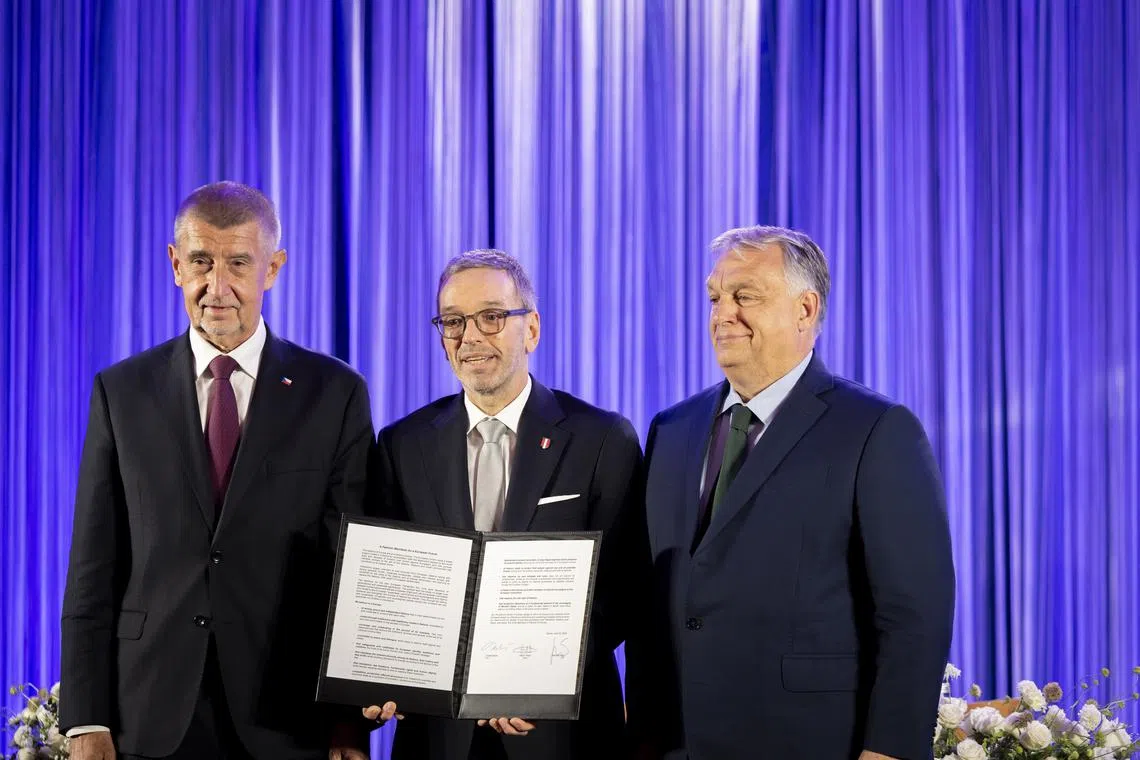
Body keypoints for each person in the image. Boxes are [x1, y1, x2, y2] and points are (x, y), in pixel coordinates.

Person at [59, 181, 373, 760]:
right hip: (147, 714)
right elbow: (92, 569)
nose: (218, 287)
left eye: (239, 263)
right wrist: (85, 719)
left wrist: (348, 721)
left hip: (286, 716)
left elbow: (348, 571)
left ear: (273, 269)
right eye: (201, 262)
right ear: (175, 264)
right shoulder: (121, 392)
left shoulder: (335, 394)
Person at [625, 225, 955, 760]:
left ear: (805, 309)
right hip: (674, 743)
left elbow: (914, 614)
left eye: (744, 296)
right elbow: (648, 596)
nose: (722, 313)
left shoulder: (875, 428)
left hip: (810, 740)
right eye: (715, 297)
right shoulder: (671, 428)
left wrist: (889, 750)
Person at [363, 249, 644, 760]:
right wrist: (379, 672)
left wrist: (535, 675)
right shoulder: (401, 445)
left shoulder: (603, 439)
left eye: (492, 317)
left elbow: (625, 593)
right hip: (438, 738)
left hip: (562, 735)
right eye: (453, 321)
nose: (470, 337)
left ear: (531, 329)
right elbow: (390, 586)